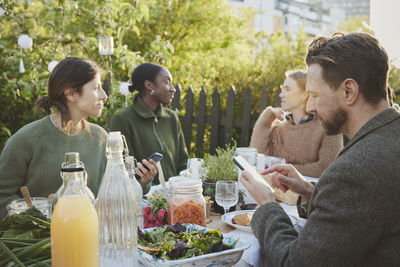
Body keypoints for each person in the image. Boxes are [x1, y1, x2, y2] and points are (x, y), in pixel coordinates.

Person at [241, 32, 400, 266]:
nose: (311, 106)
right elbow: (369, 211)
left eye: (314, 95)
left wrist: (267, 206)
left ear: (348, 91)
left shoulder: (355, 172)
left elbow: (297, 263)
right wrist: (309, 190)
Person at [110, 63, 188, 194]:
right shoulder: (122, 119)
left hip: (176, 196)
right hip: (141, 199)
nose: (173, 89)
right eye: (167, 82)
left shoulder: (171, 118)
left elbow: (183, 162)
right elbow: (123, 170)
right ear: (149, 85)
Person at [250, 70, 342, 177]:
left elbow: (326, 169)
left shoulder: (329, 128)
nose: (281, 95)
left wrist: (281, 169)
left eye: (287, 89)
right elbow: (257, 161)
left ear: (304, 95)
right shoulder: (278, 130)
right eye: (282, 89)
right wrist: (266, 118)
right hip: (278, 192)